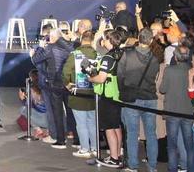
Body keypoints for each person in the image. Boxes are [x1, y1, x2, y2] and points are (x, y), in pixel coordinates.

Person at [117, 27, 162, 171]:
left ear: (138, 38)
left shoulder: (127, 55)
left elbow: (120, 76)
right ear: (151, 40)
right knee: (151, 134)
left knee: (132, 134)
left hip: (132, 98)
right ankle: (152, 166)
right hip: (150, 97)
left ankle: (133, 165)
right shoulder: (155, 59)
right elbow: (154, 77)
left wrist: (123, 92)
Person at [31, 25, 72, 149]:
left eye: (46, 37)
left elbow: (38, 62)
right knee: (67, 111)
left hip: (52, 83)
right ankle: (72, 137)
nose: (45, 39)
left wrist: (37, 51)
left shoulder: (49, 48)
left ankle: (57, 137)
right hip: (66, 82)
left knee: (54, 112)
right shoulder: (67, 47)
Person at [91, 28, 125, 168]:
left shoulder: (108, 57)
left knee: (109, 127)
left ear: (109, 40)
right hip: (118, 94)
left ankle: (114, 158)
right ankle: (117, 154)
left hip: (108, 95)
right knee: (116, 126)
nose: (102, 41)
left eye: (104, 38)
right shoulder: (121, 54)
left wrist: (90, 78)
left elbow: (101, 78)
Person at [62, 30, 98, 159]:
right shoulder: (97, 54)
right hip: (94, 93)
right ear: (92, 41)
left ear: (82, 39)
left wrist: (67, 84)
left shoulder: (75, 54)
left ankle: (84, 148)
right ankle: (95, 148)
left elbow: (65, 71)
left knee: (81, 123)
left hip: (78, 93)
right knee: (92, 123)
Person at [158, 44, 194, 172]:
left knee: (172, 144)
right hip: (188, 111)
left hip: (172, 110)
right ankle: (189, 168)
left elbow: (162, 89)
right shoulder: (192, 70)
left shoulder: (169, 70)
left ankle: (172, 168)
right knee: (189, 144)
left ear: (176, 57)